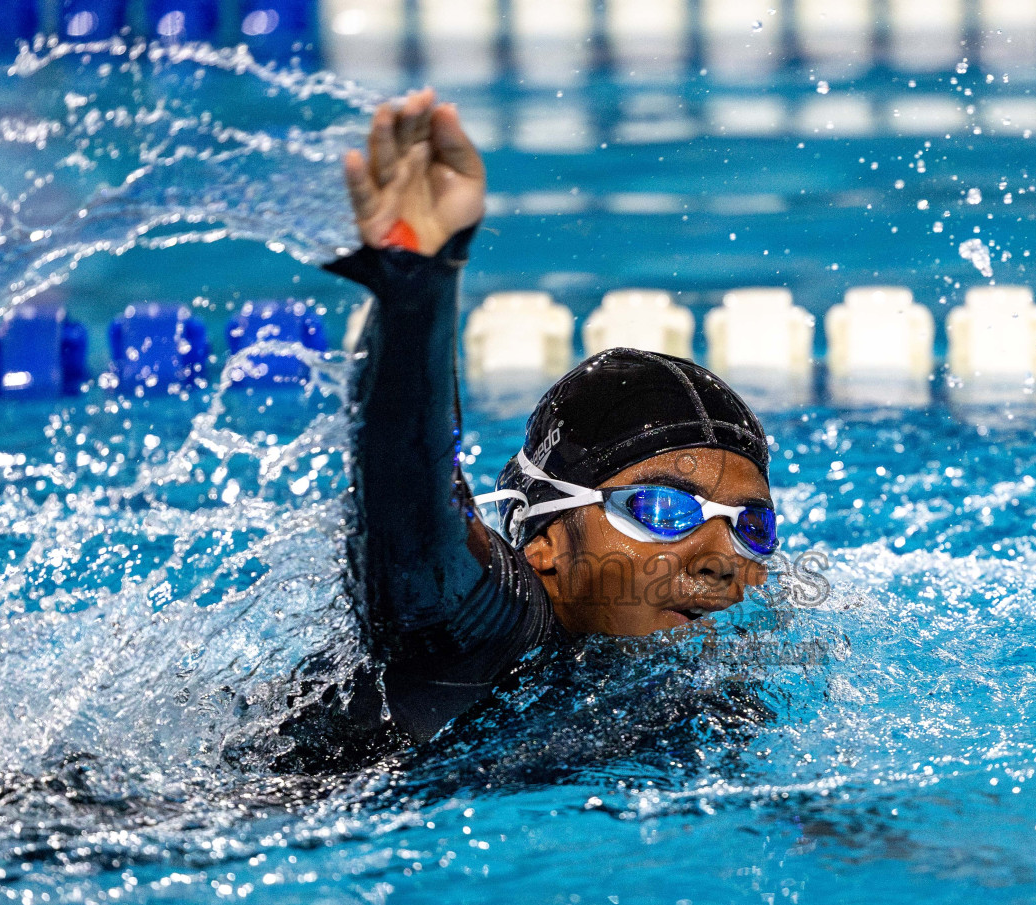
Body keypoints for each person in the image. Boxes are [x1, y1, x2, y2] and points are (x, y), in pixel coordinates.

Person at [307, 89, 780, 749]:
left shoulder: (693, 693)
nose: (723, 561)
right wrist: (418, 284)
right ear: (546, 543)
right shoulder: (488, 631)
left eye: (753, 526)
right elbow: (411, 506)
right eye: (665, 509)